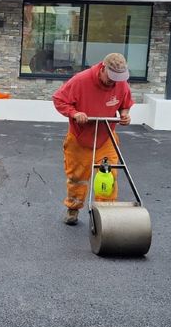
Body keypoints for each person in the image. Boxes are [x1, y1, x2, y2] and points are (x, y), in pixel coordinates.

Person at [52, 53, 134, 225]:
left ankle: (105, 214)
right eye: (111, 77)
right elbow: (59, 99)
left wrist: (125, 115)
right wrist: (75, 113)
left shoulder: (120, 83)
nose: (114, 82)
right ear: (103, 69)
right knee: (77, 177)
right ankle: (73, 208)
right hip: (80, 137)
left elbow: (125, 104)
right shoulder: (81, 80)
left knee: (108, 175)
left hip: (106, 137)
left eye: (118, 78)